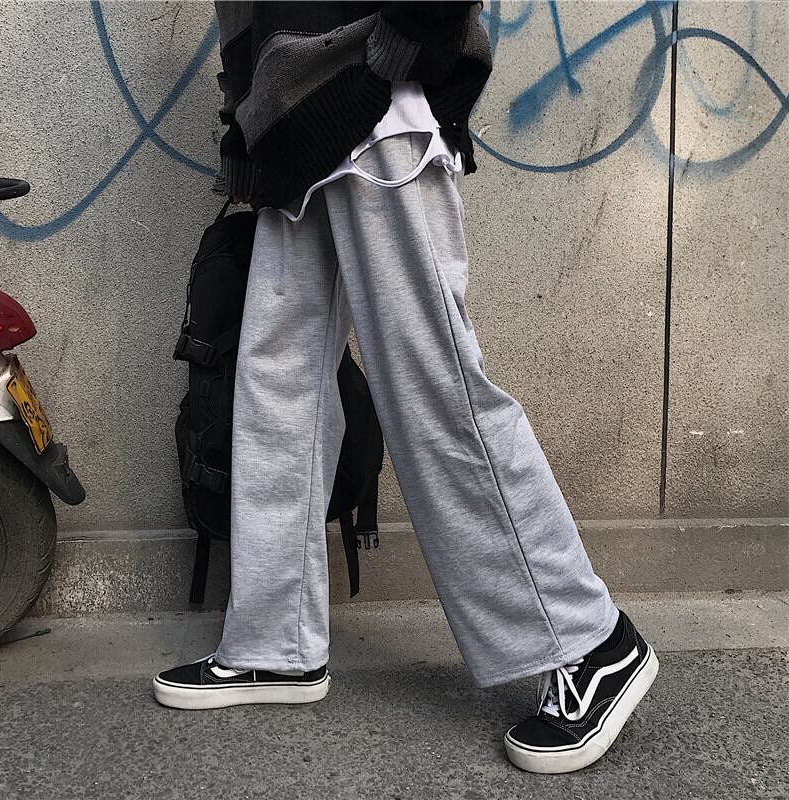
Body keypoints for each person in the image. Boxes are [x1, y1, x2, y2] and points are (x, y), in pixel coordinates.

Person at [153, 1, 659, 774]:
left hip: (372, 113)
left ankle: (591, 643)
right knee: (277, 387)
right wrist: (250, 135)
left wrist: (398, 46)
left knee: (435, 390)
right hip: (298, 133)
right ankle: (275, 644)